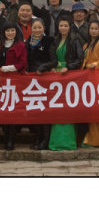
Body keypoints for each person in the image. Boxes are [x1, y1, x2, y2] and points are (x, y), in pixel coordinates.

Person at [48, 16, 83, 151]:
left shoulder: (75, 40)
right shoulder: (54, 41)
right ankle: (55, 141)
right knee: (56, 107)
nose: (63, 28)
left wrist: (68, 67)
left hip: (69, 75)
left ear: (70, 27)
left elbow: (80, 59)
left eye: (66, 26)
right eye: (61, 26)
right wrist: (51, 67)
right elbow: (51, 57)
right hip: (55, 76)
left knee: (68, 106)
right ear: (58, 27)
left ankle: (69, 140)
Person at [26, 18, 57, 150]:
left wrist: (42, 68)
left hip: (44, 78)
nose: (37, 30)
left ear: (44, 28)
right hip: (32, 81)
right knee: (35, 112)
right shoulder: (28, 42)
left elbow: (54, 61)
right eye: (35, 28)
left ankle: (45, 140)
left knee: (45, 111)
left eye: (39, 27)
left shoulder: (49, 41)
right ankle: (37, 139)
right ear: (31, 29)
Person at [0, 21, 28, 151]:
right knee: (3, 109)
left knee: (12, 110)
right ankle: (5, 137)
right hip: (0, 83)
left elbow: (22, 63)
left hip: (15, 82)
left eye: (12, 30)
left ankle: (11, 140)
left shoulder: (20, 45)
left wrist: (8, 68)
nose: (10, 33)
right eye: (8, 31)